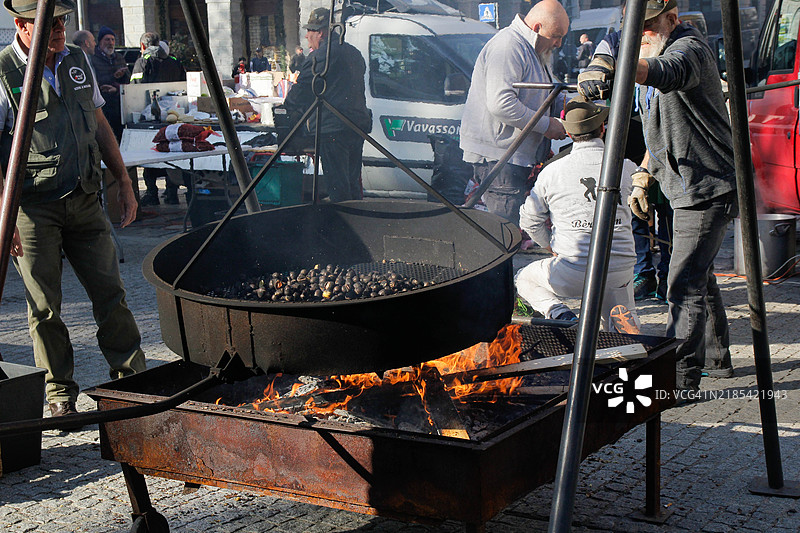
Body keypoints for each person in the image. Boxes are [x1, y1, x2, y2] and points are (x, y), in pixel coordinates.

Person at [578, 0, 737, 389]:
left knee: (683, 283)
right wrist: (644, 174)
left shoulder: (690, 49)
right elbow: (657, 125)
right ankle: (717, 360)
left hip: (706, 187)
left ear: (672, 18)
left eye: (649, 26)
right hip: (680, 182)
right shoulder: (645, 48)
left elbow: (666, 72)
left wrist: (619, 65)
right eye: (638, 27)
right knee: (699, 274)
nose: (643, 33)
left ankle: (680, 380)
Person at [0, 0, 146, 424]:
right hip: (32, 207)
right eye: (51, 23)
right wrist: (3, 215)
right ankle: (58, 390)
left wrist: (123, 179)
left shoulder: (77, 60)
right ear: (23, 26)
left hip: (84, 197)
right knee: (45, 307)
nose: (60, 29)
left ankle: (130, 378)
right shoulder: (5, 71)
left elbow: (99, 123)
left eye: (63, 21)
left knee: (111, 292)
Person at [515, 97, 640, 332]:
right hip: (620, 268)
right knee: (618, 318)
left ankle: (562, 315)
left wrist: (549, 245)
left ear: (569, 134)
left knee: (524, 277)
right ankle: (627, 353)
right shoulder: (627, 167)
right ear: (602, 128)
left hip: (572, 271)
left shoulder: (552, 172)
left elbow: (529, 221)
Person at [459, 0, 568, 226]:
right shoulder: (509, 46)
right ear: (537, 27)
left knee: (506, 232)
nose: (558, 43)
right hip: (499, 157)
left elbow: (549, 90)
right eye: (556, 35)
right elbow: (501, 104)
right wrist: (547, 126)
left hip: (510, 156)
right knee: (502, 234)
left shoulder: (532, 47)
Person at [592, 20, 673, 302]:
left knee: (669, 211)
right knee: (635, 211)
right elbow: (598, 64)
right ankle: (643, 273)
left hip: (664, 137)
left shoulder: (671, 39)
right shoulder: (614, 41)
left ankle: (669, 275)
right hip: (630, 136)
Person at [284, 7, 371, 202]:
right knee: (352, 184)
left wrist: (288, 107)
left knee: (339, 188)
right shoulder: (353, 53)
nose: (307, 36)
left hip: (333, 129)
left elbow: (302, 91)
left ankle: (344, 228)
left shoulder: (321, 56)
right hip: (356, 126)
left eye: (310, 32)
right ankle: (358, 223)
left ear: (321, 33)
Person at [131, 31, 187, 206]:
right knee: (171, 153)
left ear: (143, 46)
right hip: (173, 115)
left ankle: (152, 193)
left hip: (149, 116)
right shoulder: (175, 62)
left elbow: (135, 88)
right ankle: (172, 193)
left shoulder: (142, 62)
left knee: (150, 154)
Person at [91, 25, 129, 141]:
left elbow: (128, 80)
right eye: (107, 39)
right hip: (102, 106)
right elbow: (96, 80)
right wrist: (112, 76)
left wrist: (119, 83)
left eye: (112, 39)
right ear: (100, 42)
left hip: (119, 105)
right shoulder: (93, 58)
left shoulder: (119, 57)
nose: (110, 43)